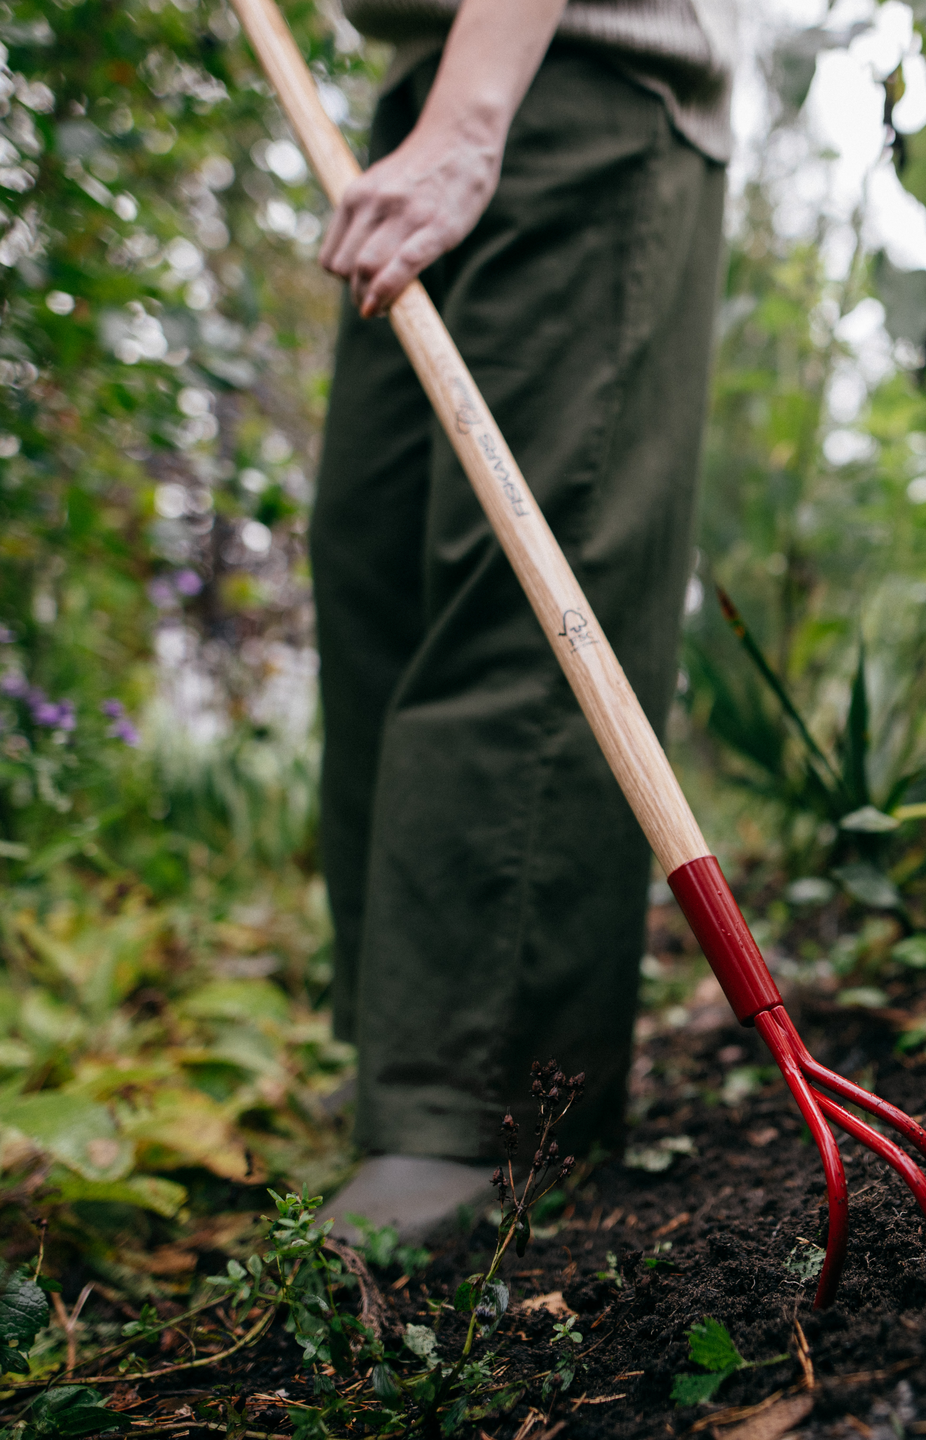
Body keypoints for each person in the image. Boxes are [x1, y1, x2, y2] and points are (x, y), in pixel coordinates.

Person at [309, 0, 734, 1242]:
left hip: (570, 80)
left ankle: (484, 1112)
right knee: (372, 560)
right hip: (427, 92)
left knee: (525, 582)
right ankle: (409, 1061)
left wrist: (471, 117)